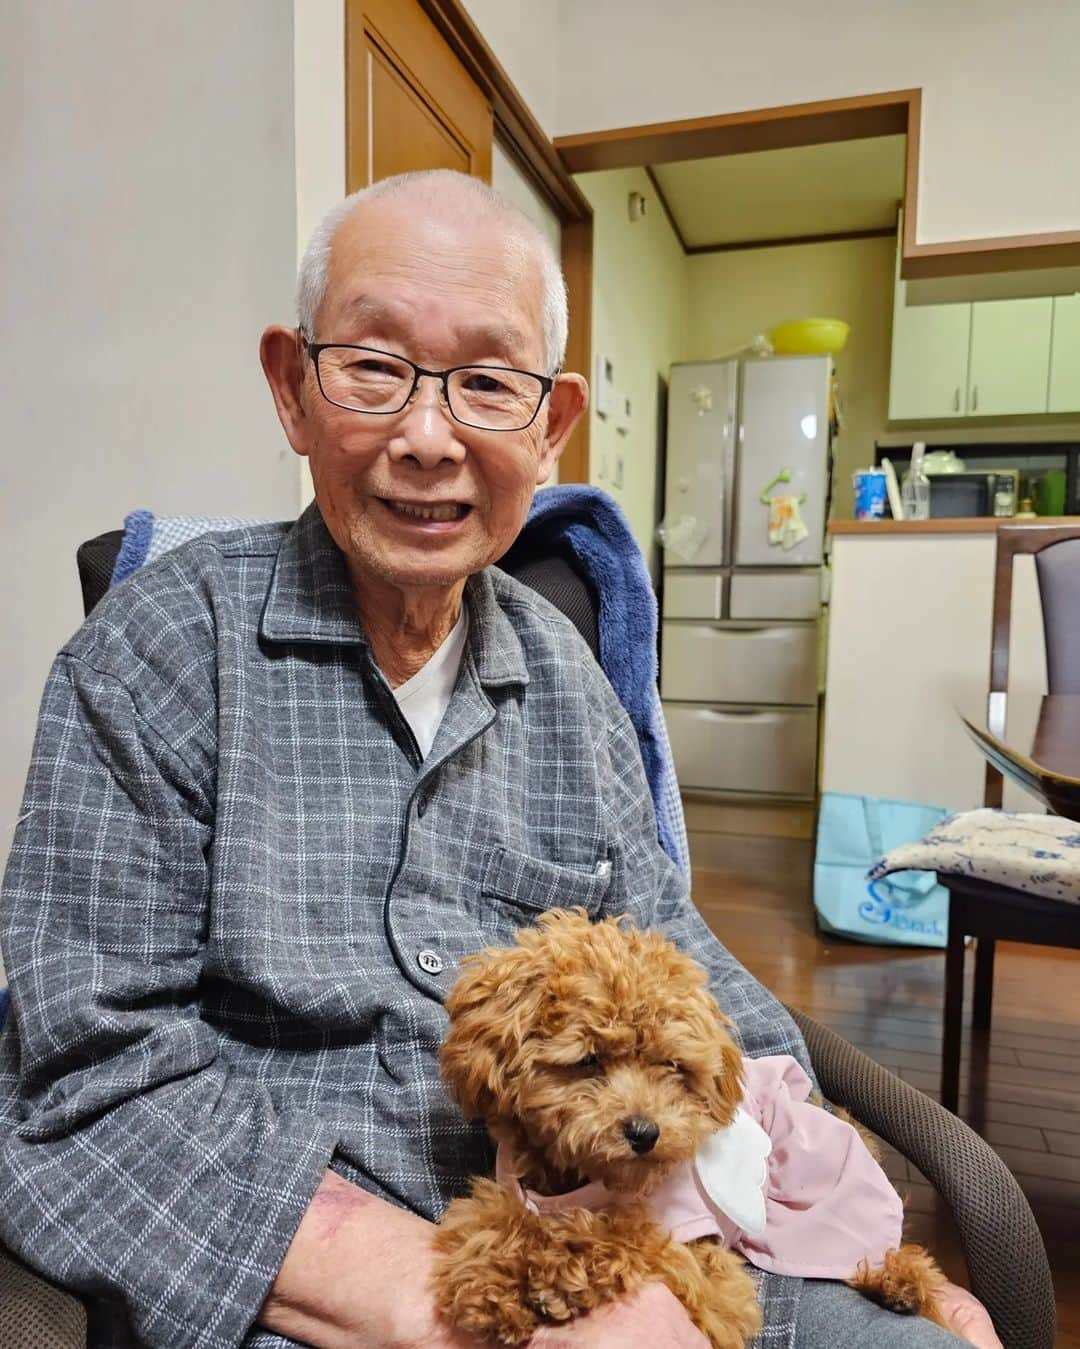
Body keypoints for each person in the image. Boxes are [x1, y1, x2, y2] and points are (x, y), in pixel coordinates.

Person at [0, 171, 978, 1349]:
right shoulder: (154, 657)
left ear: (549, 422)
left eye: (486, 381)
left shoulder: (564, 668)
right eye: (373, 364)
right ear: (292, 389)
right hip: (305, 1279)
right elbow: (90, 1075)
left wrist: (855, 1235)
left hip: (642, 1224)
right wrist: (463, 1306)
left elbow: (674, 945)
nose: (427, 437)